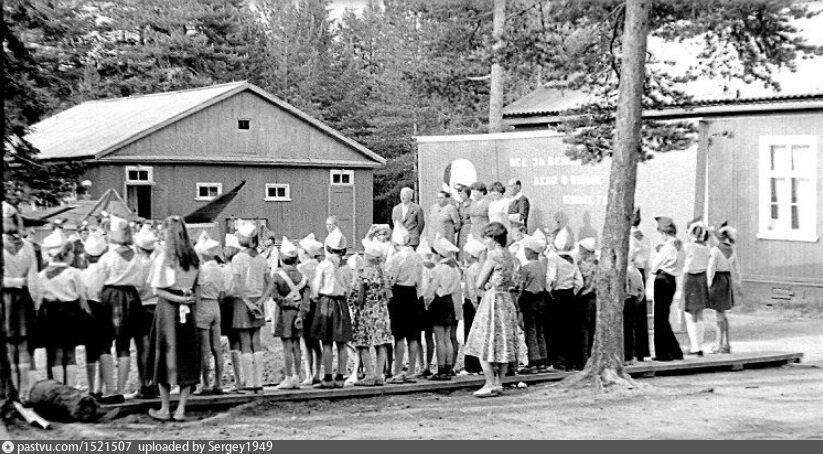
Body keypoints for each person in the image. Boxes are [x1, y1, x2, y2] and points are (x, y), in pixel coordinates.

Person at [146, 216, 200, 422]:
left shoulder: (164, 258)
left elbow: (157, 289)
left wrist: (178, 298)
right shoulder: (194, 258)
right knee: (186, 355)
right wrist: (187, 299)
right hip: (188, 307)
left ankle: (165, 407)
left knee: (165, 353)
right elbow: (197, 285)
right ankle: (181, 408)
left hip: (169, 310)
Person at [464, 222, 519, 398]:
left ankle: (489, 382)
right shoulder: (509, 255)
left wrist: (486, 285)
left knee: (484, 340)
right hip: (506, 298)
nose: (485, 242)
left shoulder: (493, 255)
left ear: (493, 238)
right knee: (503, 341)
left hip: (493, 299)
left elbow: (479, 283)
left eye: (487, 238)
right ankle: (499, 382)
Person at [99, 214, 147, 398]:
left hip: (111, 296)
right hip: (131, 297)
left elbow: (98, 280)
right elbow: (141, 281)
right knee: (124, 344)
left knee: (105, 343)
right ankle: (120, 389)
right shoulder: (137, 257)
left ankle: (110, 389)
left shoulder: (108, 257)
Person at [38, 229, 89, 388]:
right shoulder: (73, 273)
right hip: (71, 313)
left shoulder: (42, 275)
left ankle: (57, 386)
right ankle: (70, 386)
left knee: (56, 353)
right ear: (65, 253)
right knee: (70, 352)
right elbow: (82, 295)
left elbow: (38, 297)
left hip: (51, 314)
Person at [2, 202, 39, 399]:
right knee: (24, 345)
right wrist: (36, 302)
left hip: (5, 297)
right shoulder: (28, 246)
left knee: (10, 345)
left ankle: (14, 390)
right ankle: (24, 391)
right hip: (24, 297)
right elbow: (33, 279)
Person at [310, 228, 353, 388]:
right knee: (341, 343)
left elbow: (316, 286)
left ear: (328, 247)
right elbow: (350, 288)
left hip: (326, 302)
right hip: (341, 303)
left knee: (326, 342)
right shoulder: (347, 267)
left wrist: (315, 296)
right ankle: (340, 376)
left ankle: (328, 377)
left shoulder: (324, 265)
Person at [231, 220, 271, 392]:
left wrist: (247, 302)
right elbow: (270, 283)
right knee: (256, 341)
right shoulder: (262, 259)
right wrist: (261, 300)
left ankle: (248, 383)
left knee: (245, 342)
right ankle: (258, 382)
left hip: (243, 302)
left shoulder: (238, 258)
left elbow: (237, 284)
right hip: (258, 300)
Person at [350, 239, 393, 386]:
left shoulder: (364, 273)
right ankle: (379, 375)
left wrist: (356, 305)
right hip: (381, 310)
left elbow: (359, 295)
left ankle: (369, 374)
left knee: (363, 344)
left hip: (367, 311)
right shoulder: (384, 273)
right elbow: (389, 295)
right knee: (381, 344)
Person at [385, 225, 424, 384]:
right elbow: (421, 280)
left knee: (399, 335)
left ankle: (397, 371)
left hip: (399, 294)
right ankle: (411, 370)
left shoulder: (396, 258)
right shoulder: (417, 257)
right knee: (413, 335)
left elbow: (391, 278)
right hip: (412, 294)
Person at [80, 230, 115, 400]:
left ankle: (91, 387)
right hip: (106, 307)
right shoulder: (107, 271)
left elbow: (82, 294)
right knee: (105, 348)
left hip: (90, 309)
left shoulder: (83, 274)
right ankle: (104, 386)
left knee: (90, 350)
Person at [272, 237, 308, 390]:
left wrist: (287, 302)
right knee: (296, 345)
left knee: (287, 346)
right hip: (298, 314)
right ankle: (296, 377)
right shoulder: (303, 277)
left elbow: (275, 296)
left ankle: (287, 377)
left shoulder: (277, 276)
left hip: (284, 314)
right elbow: (306, 300)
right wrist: (301, 314)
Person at [546, 228, 584, 370]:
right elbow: (579, 281)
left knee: (557, 329)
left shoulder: (553, 259)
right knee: (570, 329)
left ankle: (558, 360)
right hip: (570, 296)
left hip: (557, 295)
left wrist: (550, 290)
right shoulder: (572, 260)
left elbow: (551, 278)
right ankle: (571, 361)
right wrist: (573, 291)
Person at [194, 232, 227, 395]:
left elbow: (198, 292)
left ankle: (206, 383)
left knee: (205, 350)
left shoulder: (201, 270)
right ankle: (218, 383)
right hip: (216, 306)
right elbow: (222, 293)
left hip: (204, 305)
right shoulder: (220, 270)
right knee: (217, 348)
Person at [425, 235, 461, 380]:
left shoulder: (438, 270)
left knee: (439, 338)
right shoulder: (455, 269)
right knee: (447, 337)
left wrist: (427, 303)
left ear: (439, 255)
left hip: (439, 302)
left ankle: (441, 369)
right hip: (450, 301)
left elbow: (431, 290)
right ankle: (448, 366)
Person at [650, 216, 685, 362]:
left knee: (659, 319)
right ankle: (675, 350)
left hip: (662, 280)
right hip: (672, 280)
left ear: (664, 233)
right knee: (664, 318)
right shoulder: (680, 246)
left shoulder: (667, 247)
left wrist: (659, 253)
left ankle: (663, 353)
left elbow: (654, 267)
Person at [707, 222, 741, 354]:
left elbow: (711, 269)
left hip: (718, 280)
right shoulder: (732, 250)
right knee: (723, 314)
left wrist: (708, 284)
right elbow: (736, 270)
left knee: (719, 315)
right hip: (727, 280)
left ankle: (719, 344)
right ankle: (726, 343)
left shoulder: (715, 250)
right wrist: (738, 283)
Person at [134, 225, 159, 399]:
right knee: (156, 348)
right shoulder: (157, 263)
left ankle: (143, 383)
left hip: (141, 307)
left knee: (142, 348)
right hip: (156, 306)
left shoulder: (138, 265)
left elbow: (136, 288)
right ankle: (155, 383)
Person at [518, 233, 548, 374]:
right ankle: (543, 358)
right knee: (540, 330)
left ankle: (534, 360)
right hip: (542, 298)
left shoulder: (526, 268)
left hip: (529, 298)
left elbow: (521, 285)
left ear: (529, 251)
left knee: (530, 330)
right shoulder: (542, 266)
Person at [297, 233, 324, 386]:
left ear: (305, 252)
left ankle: (308, 374)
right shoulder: (320, 265)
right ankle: (317, 373)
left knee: (307, 342)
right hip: (319, 304)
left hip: (306, 305)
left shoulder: (301, 268)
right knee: (317, 342)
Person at [683, 219, 710, 357]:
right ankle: (699, 345)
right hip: (702, 278)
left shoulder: (688, 246)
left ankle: (694, 346)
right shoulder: (706, 248)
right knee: (699, 314)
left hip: (690, 278)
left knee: (690, 314)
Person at [220, 233, 244, 391]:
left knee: (233, 342)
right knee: (242, 342)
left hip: (228, 305)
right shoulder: (241, 269)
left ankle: (238, 380)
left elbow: (223, 291)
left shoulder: (224, 270)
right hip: (241, 303)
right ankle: (245, 378)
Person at [628, 207, 651, 361]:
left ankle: (632, 350)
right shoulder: (646, 239)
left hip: (631, 272)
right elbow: (648, 263)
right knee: (641, 313)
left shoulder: (629, 238)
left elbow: (629, 257)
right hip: (642, 272)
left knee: (630, 312)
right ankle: (641, 351)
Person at [460, 235, 485, 375]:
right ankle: (481, 364)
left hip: (471, 303)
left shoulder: (470, 270)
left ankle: (471, 364)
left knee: (470, 333)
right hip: (480, 301)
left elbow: (471, 289)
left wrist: (475, 305)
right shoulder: (481, 267)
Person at [577, 237, 598, 361]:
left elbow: (586, 285)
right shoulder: (597, 264)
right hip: (594, 298)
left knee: (584, 330)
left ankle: (584, 359)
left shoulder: (581, 265)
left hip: (584, 298)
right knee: (592, 329)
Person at [624, 260, 646, 364]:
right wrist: (638, 299)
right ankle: (630, 357)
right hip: (634, 300)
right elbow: (641, 289)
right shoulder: (637, 272)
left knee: (625, 329)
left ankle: (625, 357)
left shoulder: (625, 271)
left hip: (626, 300)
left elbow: (626, 287)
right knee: (630, 329)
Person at [456, 185, 473, 254]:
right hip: (462, 230)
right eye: (459, 193)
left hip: (471, 229)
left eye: (462, 193)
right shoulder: (459, 205)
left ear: (467, 194)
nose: (460, 195)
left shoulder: (473, 204)